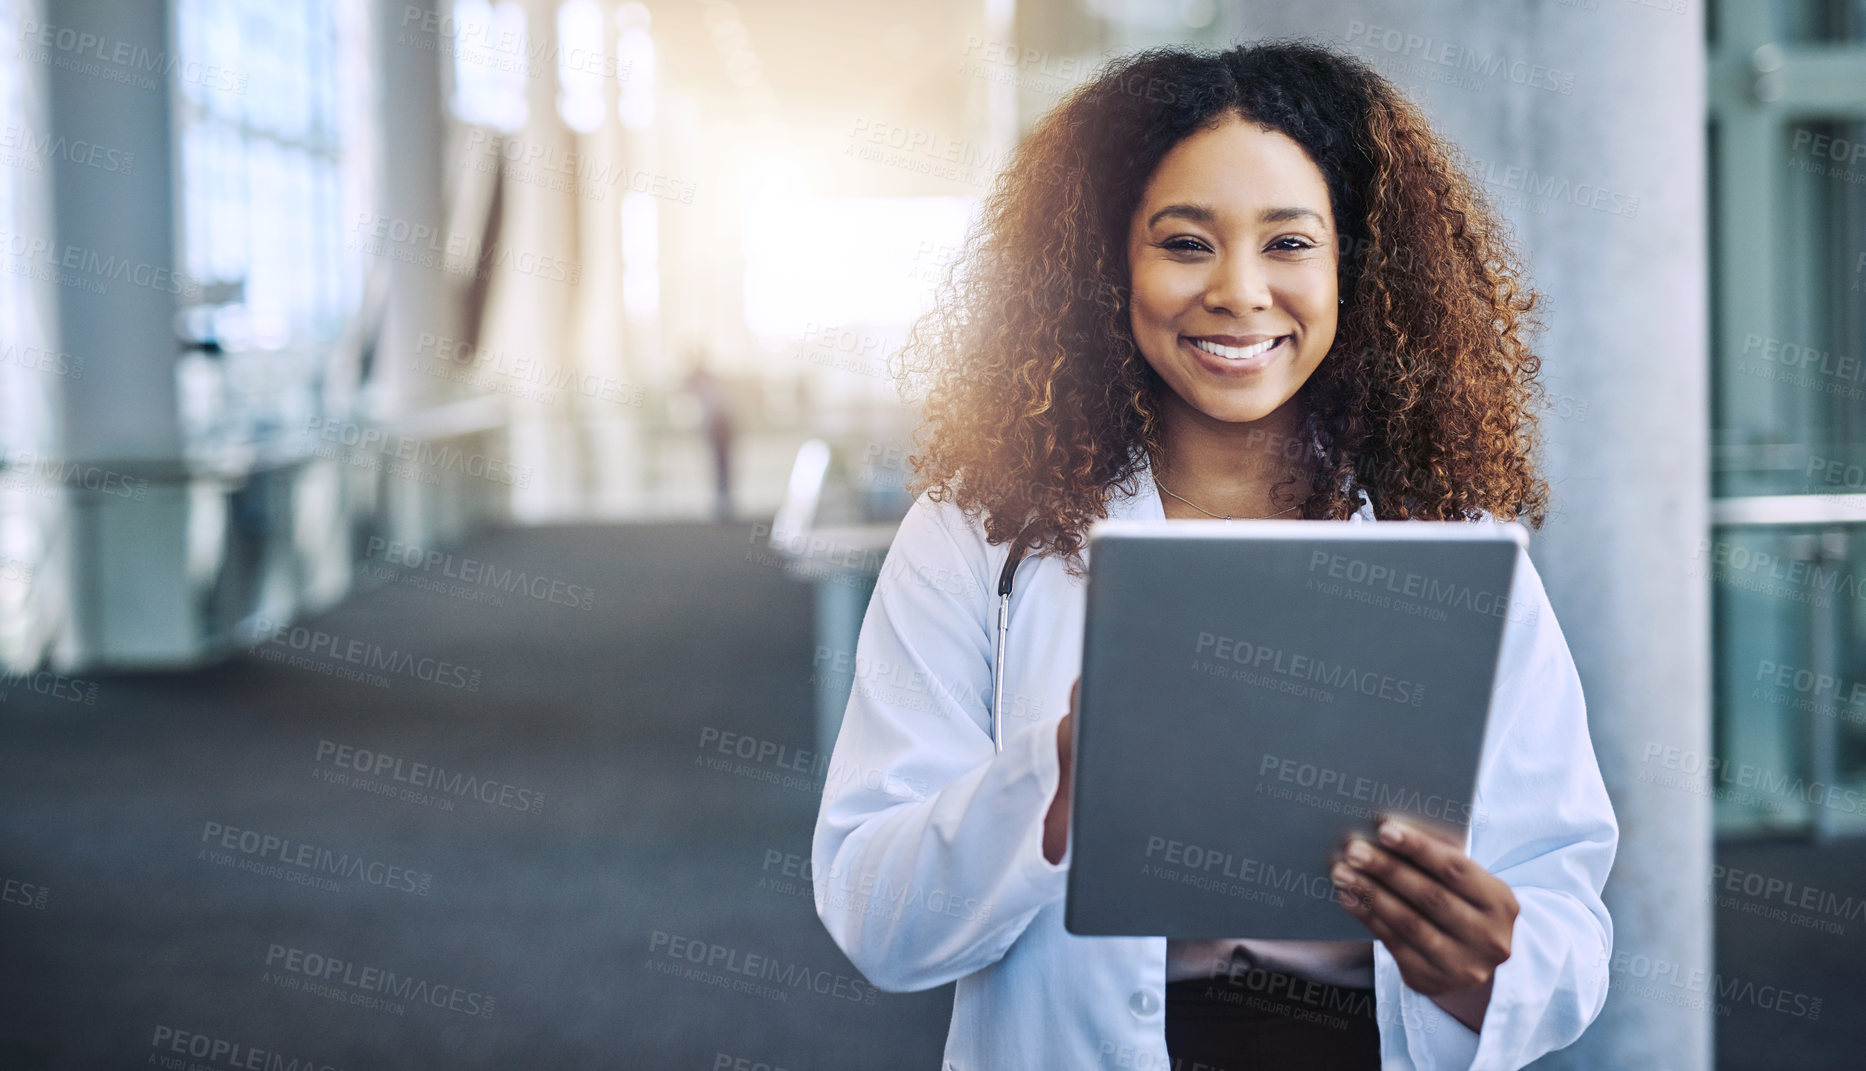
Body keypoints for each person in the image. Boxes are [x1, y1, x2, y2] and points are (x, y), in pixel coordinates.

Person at [811, 40, 1615, 1071]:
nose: (1240, 292)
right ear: (1105, 265)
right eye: (1185, 243)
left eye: (1289, 244)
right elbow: (879, 921)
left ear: (1353, 269)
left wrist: (1478, 965)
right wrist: (1046, 788)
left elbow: (1565, 914)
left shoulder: (1447, 537)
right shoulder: (977, 538)